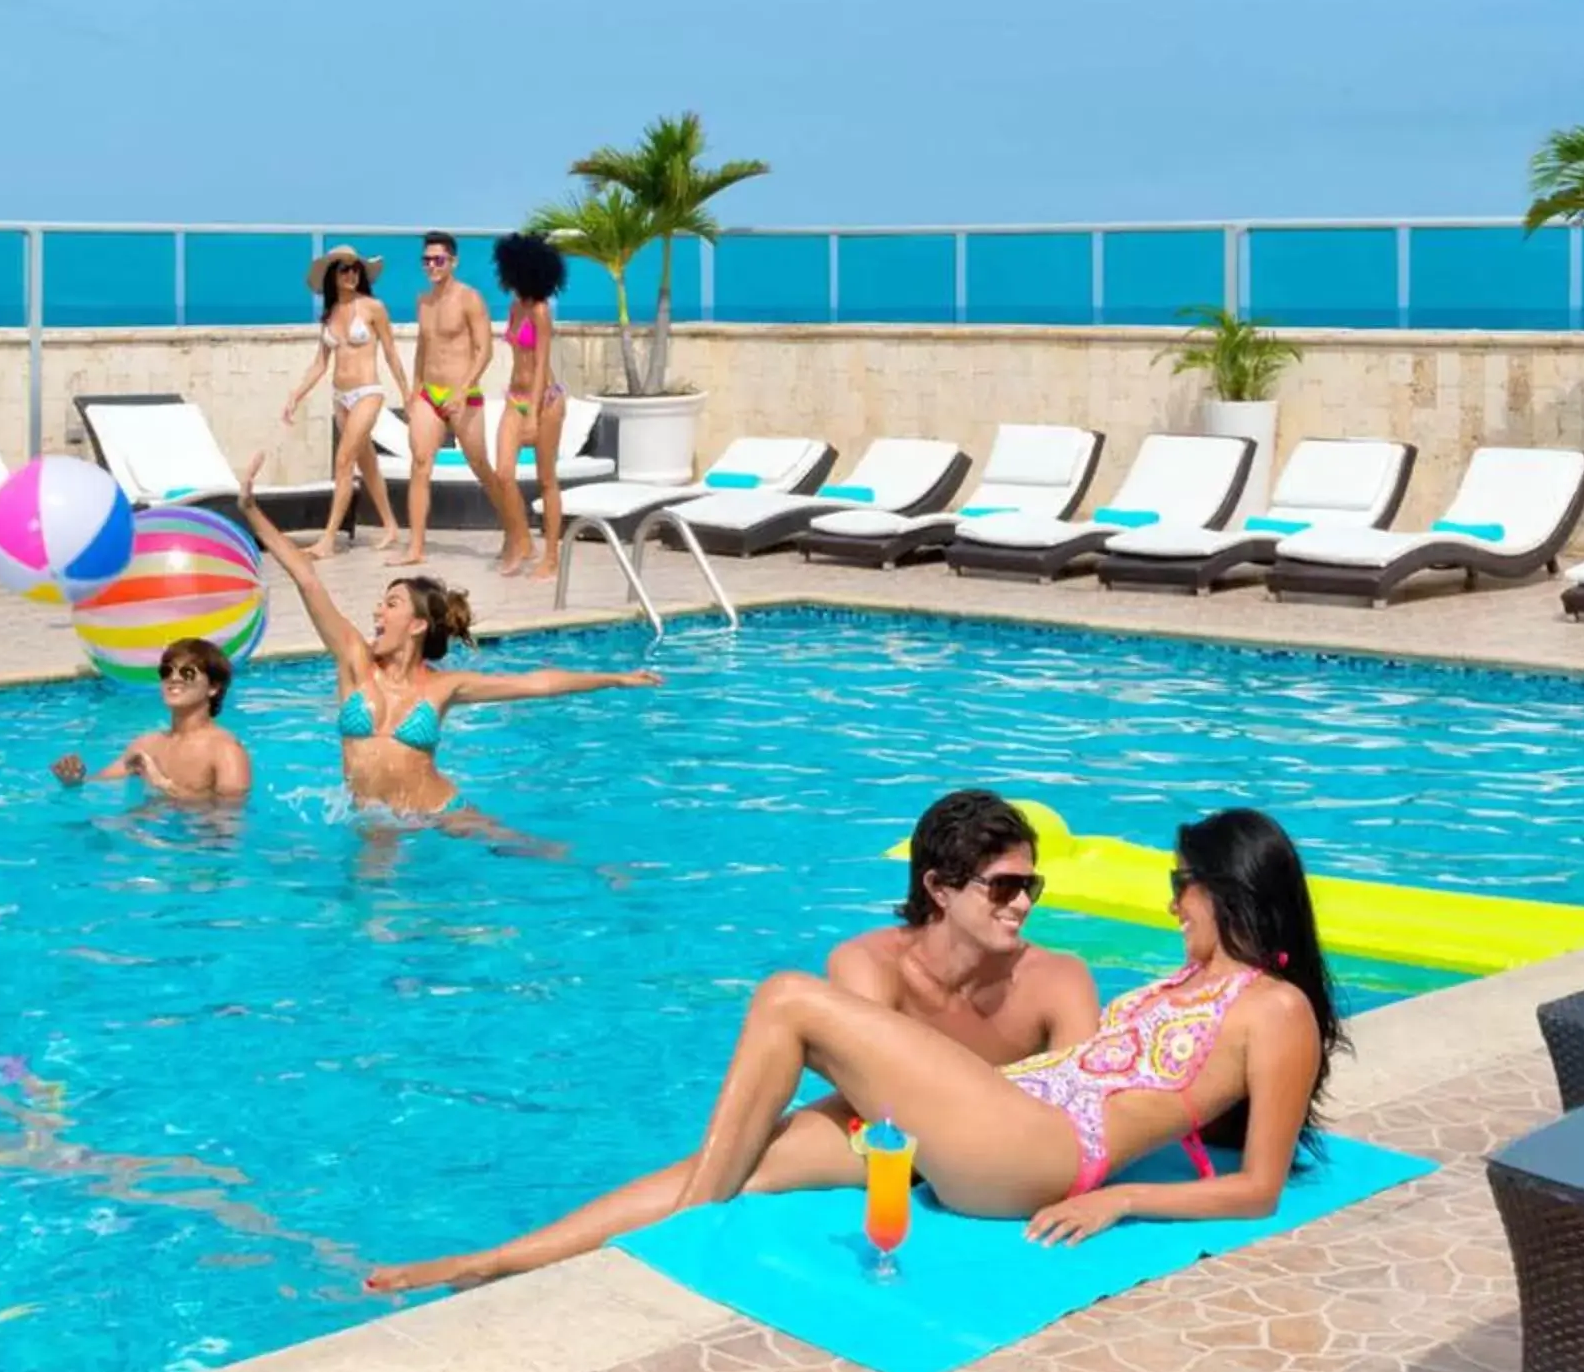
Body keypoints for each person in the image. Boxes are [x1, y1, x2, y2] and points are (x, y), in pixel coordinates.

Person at [366, 789, 1103, 1291]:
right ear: (940, 888)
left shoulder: (1056, 979)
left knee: (781, 1012)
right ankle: (497, 1261)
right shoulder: (867, 964)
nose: (1022, 904)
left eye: (1029, 887)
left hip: (994, 1155)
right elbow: (881, 1107)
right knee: (733, 1162)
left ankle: (689, 1220)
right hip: (892, 1150)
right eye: (1003, 887)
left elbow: (1084, 1115)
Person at [653, 806, 1343, 1251]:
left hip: (1039, 1151)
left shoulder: (1277, 1009)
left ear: (1227, 888)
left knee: (786, 998)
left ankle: (685, 1231)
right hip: (1006, 1110)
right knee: (750, 1155)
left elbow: (1259, 1189)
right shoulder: (1183, 981)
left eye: (1180, 882)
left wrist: (1123, 1198)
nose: (1171, 904)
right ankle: (544, 1256)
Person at [237, 454, 657, 816]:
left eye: (392, 604)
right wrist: (252, 511)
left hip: (438, 812)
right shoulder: (354, 660)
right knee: (374, 898)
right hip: (375, 823)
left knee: (528, 854)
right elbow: (308, 581)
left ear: (418, 625)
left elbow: (535, 684)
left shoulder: (443, 686)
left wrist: (615, 678)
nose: (377, 611)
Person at [395, 230, 527, 570]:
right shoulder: (423, 302)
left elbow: (485, 350)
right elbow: (423, 350)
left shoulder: (469, 298)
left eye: (438, 260)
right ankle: (416, 547)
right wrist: (414, 391)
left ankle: (516, 533)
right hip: (429, 393)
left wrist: (463, 388)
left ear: (452, 261)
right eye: (426, 260)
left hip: (464, 393)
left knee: (480, 466)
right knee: (420, 463)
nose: (431, 266)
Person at [280, 246, 411, 559]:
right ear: (332, 276)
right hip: (341, 397)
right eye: (344, 269)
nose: (351, 274)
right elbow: (320, 363)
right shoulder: (329, 314)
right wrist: (296, 395)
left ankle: (327, 540)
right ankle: (391, 526)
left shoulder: (373, 308)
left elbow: (391, 352)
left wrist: (407, 394)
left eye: (356, 269)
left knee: (343, 461)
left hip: (368, 392)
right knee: (368, 465)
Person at [51, 635, 253, 804]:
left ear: (213, 688)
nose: (174, 679)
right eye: (166, 671)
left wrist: (163, 785)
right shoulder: (146, 745)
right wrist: (74, 781)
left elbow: (228, 820)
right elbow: (97, 782)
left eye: (188, 673)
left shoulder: (225, 750)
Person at [489, 233, 572, 578]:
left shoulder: (540, 312)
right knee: (503, 474)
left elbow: (540, 366)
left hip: (545, 400)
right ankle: (521, 540)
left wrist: (534, 416)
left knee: (546, 479)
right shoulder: (514, 308)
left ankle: (551, 555)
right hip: (515, 396)